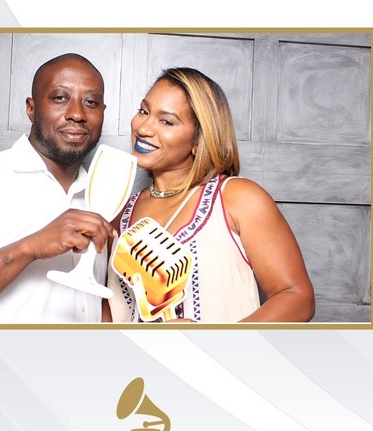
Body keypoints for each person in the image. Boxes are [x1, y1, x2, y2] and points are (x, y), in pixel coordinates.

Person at [107, 67, 314, 322]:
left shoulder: (239, 199)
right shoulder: (119, 213)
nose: (144, 128)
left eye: (166, 121)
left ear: (198, 141)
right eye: (143, 111)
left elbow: (298, 298)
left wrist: (213, 341)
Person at [0, 53, 116, 323]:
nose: (77, 114)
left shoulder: (102, 198)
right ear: (31, 109)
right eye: (60, 98)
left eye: (91, 102)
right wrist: (29, 248)